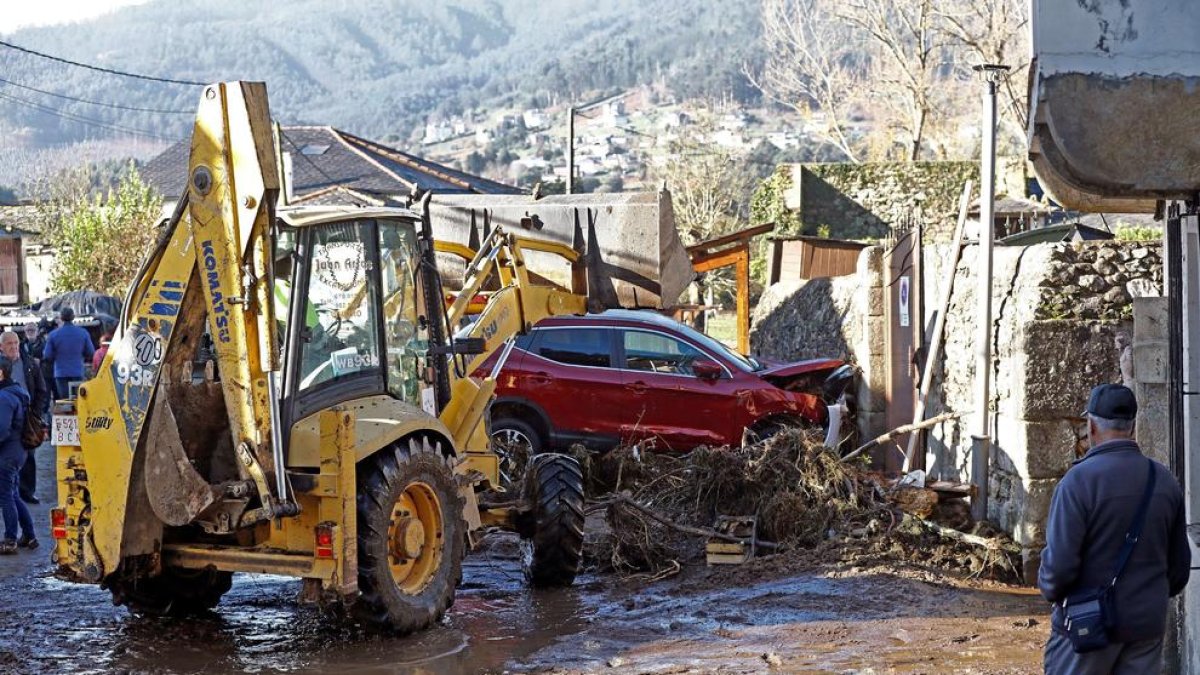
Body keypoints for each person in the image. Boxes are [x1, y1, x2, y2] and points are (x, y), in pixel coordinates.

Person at [1040, 384, 1190, 674]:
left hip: (1087, 625)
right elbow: (1179, 569)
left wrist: (1050, 592)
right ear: (1132, 426)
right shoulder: (1164, 481)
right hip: (1146, 624)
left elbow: (1059, 567)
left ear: (1092, 426)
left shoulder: (1077, 483)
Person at [1, 331, 47, 505]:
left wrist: (36, 413)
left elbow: (42, 390)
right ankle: (6, 492)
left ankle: (27, 492)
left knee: (28, 453)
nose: (13, 347)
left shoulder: (29, 363)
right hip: (5, 415)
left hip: (26, 417)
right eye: (9, 344)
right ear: (1, 347)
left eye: (16, 343)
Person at [0, 355, 35, 554]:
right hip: (19, 451)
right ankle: (29, 535)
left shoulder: (4, 397)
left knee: (6, 497)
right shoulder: (18, 391)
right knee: (13, 495)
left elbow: (1, 429)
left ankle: (10, 539)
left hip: (7, 453)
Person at [43, 307, 94, 400]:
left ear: (61, 318)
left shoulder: (53, 335)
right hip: (77, 371)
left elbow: (47, 355)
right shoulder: (83, 333)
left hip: (60, 372)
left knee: (64, 401)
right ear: (73, 317)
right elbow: (91, 352)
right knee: (79, 401)